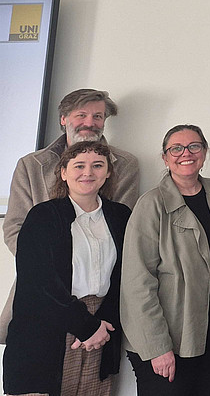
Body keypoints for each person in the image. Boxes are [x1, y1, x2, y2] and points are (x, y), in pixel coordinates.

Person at [1, 88, 139, 342]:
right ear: (64, 119)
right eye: (81, 115)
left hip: (101, 295)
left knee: (92, 378)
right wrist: (45, 271)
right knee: (41, 371)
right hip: (42, 294)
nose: (90, 123)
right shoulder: (31, 165)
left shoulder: (125, 165)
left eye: (98, 116)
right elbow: (14, 227)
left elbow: (122, 232)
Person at [2, 142, 130, 396]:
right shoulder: (42, 216)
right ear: (63, 172)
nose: (88, 172)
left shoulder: (121, 216)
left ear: (107, 173)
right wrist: (86, 326)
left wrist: (103, 324)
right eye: (79, 165)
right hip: (48, 325)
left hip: (102, 327)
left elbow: (126, 276)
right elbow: (39, 283)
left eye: (97, 165)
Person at [120, 125, 210, 395]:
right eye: (176, 148)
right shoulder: (151, 205)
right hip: (167, 341)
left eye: (194, 146)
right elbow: (137, 283)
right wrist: (158, 348)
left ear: (204, 152)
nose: (186, 154)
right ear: (165, 157)